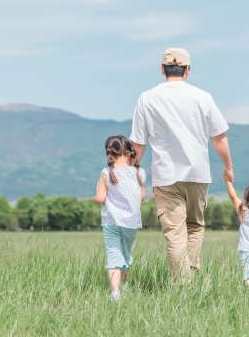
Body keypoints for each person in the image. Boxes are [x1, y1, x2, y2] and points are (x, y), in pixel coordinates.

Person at [130, 48, 233, 281]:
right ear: (187, 70)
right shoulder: (202, 97)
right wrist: (228, 167)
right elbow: (219, 138)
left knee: (175, 234)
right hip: (198, 174)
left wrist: (132, 173)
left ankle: (183, 285)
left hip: (166, 175)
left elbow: (137, 143)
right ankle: (191, 279)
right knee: (195, 227)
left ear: (162, 69)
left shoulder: (147, 98)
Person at [93, 135, 146, 301]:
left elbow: (100, 198)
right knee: (126, 256)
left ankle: (115, 293)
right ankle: (122, 286)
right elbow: (142, 197)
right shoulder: (139, 173)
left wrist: (93, 198)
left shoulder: (106, 173)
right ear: (128, 152)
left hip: (111, 222)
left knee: (114, 257)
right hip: (131, 223)